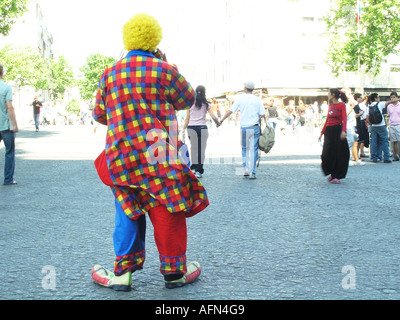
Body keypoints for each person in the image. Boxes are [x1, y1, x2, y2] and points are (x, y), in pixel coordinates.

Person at [90, 14, 209, 291]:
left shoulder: (110, 72)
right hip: (158, 154)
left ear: (127, 39)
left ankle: (122, 274)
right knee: (168, 208)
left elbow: (99, 114)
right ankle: (174, 273)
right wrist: (165, 65)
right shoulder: (164, 70)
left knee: (127, 210)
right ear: (155, 40)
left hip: (122, 155)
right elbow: (186, 99)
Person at [219, 81, 266, 179]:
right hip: (254, 127)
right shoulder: (258, 100)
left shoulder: (240, 99)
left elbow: (230, 111)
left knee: (245, 149)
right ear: (252, 89)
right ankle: (253, 172)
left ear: (245, 88)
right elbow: (262, 115)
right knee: (254, 149)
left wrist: (222, 120)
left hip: (244, 127)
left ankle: (245, 169)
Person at [183, 85, 220, 178]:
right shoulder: (206, 104)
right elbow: (213, 116)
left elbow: (187, 119)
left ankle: (194, 168)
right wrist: (218, 123)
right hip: (202, 128)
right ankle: (199, 171)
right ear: (204, 93)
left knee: (194, 149)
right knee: (201, 150)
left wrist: (183, 129)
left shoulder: (190, 104)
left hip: (191, 128)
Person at [318, 89, 349, 184]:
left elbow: (344, 118)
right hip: (329, 131)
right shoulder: (330, 106)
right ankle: (331, 172)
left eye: (328, 93)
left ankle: (336, 175)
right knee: (326, 154)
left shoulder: (341, 105)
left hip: (337, 130)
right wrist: (321, 133)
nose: (327, 95)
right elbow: (327, 120)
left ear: (333, 95)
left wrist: (343, 131)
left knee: (338, 153)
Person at [0, 64, 19, 185]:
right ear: (2, 73)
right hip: (5, 125)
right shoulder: (6, 87)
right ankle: (8, 179)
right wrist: (15, 124)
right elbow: (9, 107)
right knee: (9, 151)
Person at [365, 93, 393, 163]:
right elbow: (390, 102)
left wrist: (371, 124)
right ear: (375, 98)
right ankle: (386, 157)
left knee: (373, 142)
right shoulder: (380, 104)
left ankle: (374, 157)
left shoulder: (369, 107)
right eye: (378, 97)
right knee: (384, 141)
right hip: (382, 125)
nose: (379, 99)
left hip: (374, 126)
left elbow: (367, 118)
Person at [353, 93, 369, 158]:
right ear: (357, 98)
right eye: (360, 97)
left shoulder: (361, 105)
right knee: (359, 139)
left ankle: (361, 152)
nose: (361, 99)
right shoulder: (355, 106)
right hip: (358, 123)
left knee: (363, 138)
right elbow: (355, 115)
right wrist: (360, 113)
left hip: (362, 123)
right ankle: (356, 154)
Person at [387, 91, 400, 161]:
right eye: (391, 97)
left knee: (399, 140)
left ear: (397, 98)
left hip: (399, 124)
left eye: (394, 97)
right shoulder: (389, 106)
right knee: (394, 141)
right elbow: (389, 115)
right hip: (392, 124)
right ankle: (396, 155)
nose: (392, 99)